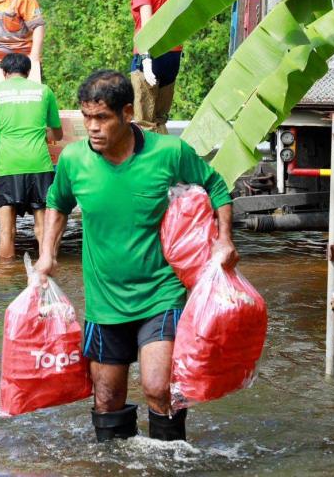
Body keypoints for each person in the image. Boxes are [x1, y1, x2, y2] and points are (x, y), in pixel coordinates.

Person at [33, 70, 238, 443]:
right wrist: (47, 254)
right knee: (107, 398)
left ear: (127, 113)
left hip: (160, 294)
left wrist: (224, 241)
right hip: (103, 301)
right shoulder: (74, 160)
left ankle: (170, 462)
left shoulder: (169, 153)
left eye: (102, 118)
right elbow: (57, 204)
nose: (92, 128)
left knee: (159, 389)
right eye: (86, 118)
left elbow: (217, 187)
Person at [0, 53, 63, 258]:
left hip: (8, 167)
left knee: (7, 232)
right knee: (43, 231)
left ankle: (5, 282)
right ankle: (46, 276)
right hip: (40, 166)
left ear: (4, 73)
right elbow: (57, 134)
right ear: (29, 72)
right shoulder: (44, 91)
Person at [122, 0, 183, 134]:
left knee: (144, 123)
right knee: (160, 118)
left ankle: (147, 164)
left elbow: (147, 26)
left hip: (150, 57)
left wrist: (146, 60)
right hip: (172, 56)